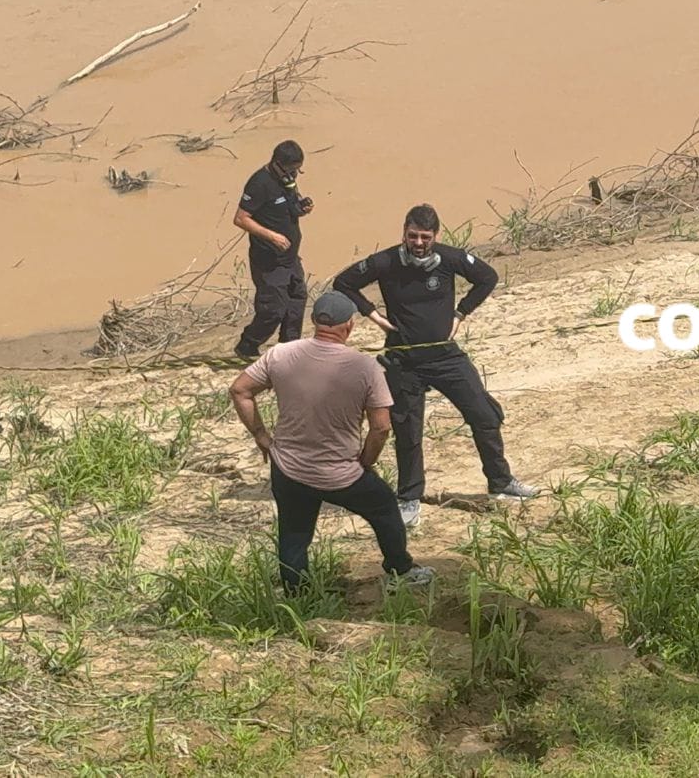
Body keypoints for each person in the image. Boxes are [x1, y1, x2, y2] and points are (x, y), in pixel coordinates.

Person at [333, 203, 538, 528]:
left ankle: (501, 482)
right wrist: (374, 316)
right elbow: (343, 282)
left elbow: (488, 277)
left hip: (446, 357)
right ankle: (409, 498)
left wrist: (461, 313)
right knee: (408, 431)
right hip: (403, 360)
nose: (418, 243)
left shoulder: (449, 259)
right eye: (412, 236)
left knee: (484, 414)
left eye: (425, 237)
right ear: (404, 233)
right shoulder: (386, 261)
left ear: (435, 236)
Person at [228, 291, 434, 592]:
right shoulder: (365, 367)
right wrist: (366, 462)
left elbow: (240, 390)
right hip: (340, 473)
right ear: (349, 325)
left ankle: (297, 594)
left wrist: (261, 435)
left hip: (288, 468)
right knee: (385, 508)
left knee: (294, 533)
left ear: (313, 321)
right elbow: (381, 428)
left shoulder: (280, 354)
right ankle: (399, 569)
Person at [234, 140, 314, 360]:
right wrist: (272, 236)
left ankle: (289, 348)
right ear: (277, 163)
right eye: (290, 170)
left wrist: (302, 208)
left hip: (290, 257)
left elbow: (290, 208)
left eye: (297, 170)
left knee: (297, 299)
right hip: (269, 260)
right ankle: (248, 345)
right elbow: (241, 219)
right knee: (273, 309)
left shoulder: (288, 180)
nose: (293, 174)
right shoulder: (259, 183)